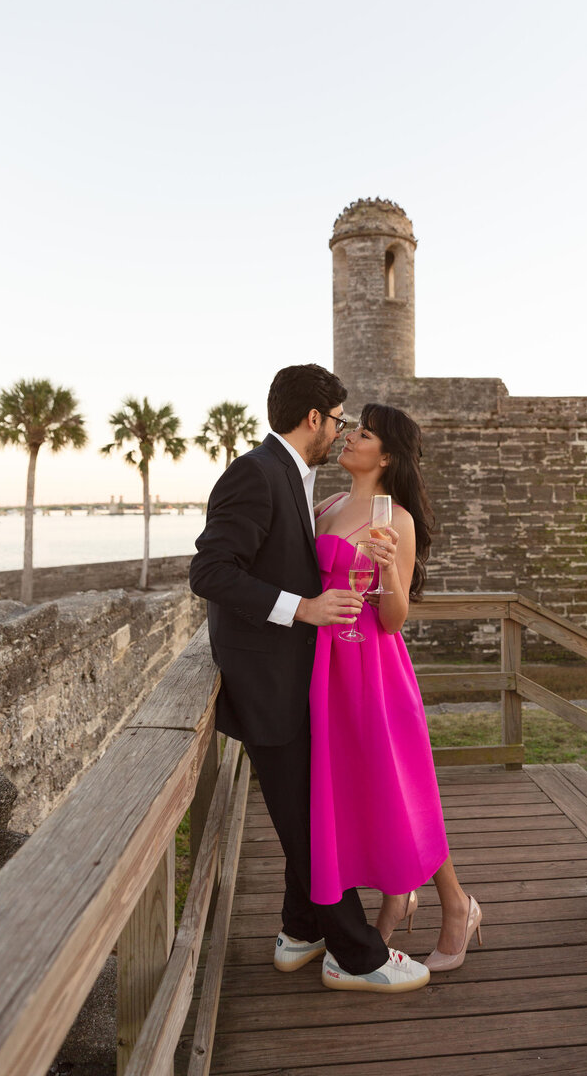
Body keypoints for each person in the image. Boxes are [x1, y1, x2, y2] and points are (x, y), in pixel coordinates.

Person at [189, 365, 430, 992]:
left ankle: (299, 933)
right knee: (305, 825)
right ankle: (358, 956)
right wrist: (304, 608)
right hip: (267, 684)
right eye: (341, 419)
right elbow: (210, 572)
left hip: (307, 681)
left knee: (312, 810)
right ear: (315, 418)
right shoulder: (258, 474)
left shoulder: (297, 482)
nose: (343, 432)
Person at [310, 402, 483, 972]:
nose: (348, 439)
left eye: (362, 434)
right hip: (327, 668)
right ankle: (391, 902)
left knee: (401, 786)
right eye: (351, 429)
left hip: (375, 667)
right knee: (357, 790)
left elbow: (393, 618)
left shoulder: (397, 520)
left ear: (384, 456)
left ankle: (455, 904)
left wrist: (387, 571)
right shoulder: (328, 506)